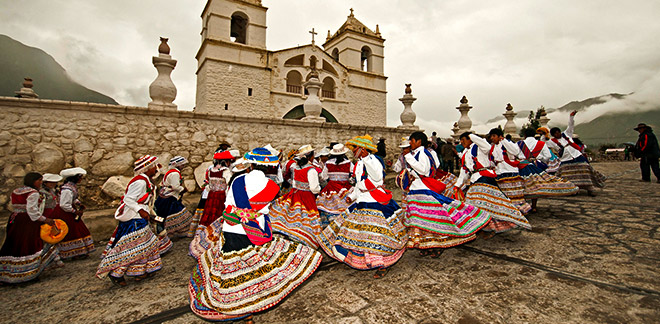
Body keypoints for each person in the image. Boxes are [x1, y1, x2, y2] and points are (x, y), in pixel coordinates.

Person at [188, 155, 322, 322]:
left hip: (232, 227)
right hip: (255, 229)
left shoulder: (238, 181)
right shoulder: (271, 186)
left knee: (232, 266)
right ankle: (250, 307)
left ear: (250, 165)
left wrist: (241, 214)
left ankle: (235, 304)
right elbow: (264, 210)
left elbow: (228, 206)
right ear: (271, 168)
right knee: (254, 269)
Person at [319, 135, 407, 279]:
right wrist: (352, 196)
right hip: (362, 201)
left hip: (374, 202)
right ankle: (364, 260)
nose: (353, 151)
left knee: (376, 236)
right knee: (361, 235)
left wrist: (366, 159)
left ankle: (382, 263)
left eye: (356, 148)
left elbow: (378, 177)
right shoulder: (359, 163)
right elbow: (359, 184)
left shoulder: (374, 161)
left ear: (363, 150)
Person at [401, 131, 491, 257]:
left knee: (433, 218)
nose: (410, 143)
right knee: (424, 219)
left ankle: (439, 244)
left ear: (418, 142)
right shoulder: (419, 153)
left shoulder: (422, 153)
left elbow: (424, 170)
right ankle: (427, 244)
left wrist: (409, 158)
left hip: (423, 188)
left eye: (412, 141)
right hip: (418, 188)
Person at [96, 155, 164, 286]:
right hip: (134, 218)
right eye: (154, 167)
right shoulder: (140, 182)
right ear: (146, 168)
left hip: (140, 217)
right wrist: (140, 210)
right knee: (131, 248)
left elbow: (146, 201)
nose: (156, 169)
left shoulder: (146, 181)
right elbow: (128, 199)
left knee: (143, 245)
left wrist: (150, 214)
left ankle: (139, 271)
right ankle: (115, 273)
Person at [457, 132, 531, 234]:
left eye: (463, 140)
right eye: (461, 141)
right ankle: (484, 227)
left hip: (485, 177)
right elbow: (464, 171)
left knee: (489, 204)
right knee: (476, 204)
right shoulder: (466, 154)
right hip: (475, 178)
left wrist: (471, 135)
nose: (462, 142)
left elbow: (487, 147)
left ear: (470, 139)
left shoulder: (479, 147)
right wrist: (457, 185)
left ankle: (491, 226)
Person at [0, 173, 62, 284]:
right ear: (32, 181)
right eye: (39, 180)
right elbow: (33, 212)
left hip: (15, 219)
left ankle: (8, 273)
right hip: (27, 222)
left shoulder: (16, 191)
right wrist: (45, 220)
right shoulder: (33, 193)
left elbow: (13, 205)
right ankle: (27, 274)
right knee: (29, 245)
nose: (40, 183)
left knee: (14, 243)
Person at [269, 145, 322, 248]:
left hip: (295, 194)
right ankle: (303, 236)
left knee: (293, 214)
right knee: (307, 216)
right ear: (311, 156)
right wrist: (318, 190)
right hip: (307, 197)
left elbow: (294, 183)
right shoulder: (311, 170)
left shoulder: (296, 167)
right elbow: (314, 188)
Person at [517, 128, 579, 212]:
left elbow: (515, 154)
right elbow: (548, 156)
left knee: (522, 186)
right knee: (536, 186)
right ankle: (534, 206)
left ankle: (523, 205)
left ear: (524, 135)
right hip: (536, 166)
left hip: (522, 166)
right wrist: (540, 159)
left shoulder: (519, 143)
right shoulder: (541, 144)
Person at [544, 111, 606, 195]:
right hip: (566, 158)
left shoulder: (567, 134)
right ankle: (572, 188)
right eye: (555, 133)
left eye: (558, 132)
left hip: (576, 154)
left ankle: (590, 188)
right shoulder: (552, 141)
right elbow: (543, 142)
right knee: (568, 175)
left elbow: (571, 125)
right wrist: (544, 134)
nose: (557, 134)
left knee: (584, 170)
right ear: (553, 135)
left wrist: (571, 117)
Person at [51, 167, 96, 259]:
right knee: (71, 231)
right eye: (80, 177)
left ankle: (78, 251)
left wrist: (78, 203)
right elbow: (64, 204)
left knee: (77, 230)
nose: (81, 179)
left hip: (69, 211)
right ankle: (73, 253)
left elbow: (73, 198)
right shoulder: (67, 189)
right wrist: (75, 211)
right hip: (65, 213)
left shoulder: (71, 187)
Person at [487, 128, 532, 215]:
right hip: (500, 171)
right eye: (491, 136)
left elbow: (515, 151)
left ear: (500, 136)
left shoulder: (507, 143)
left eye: (494, 136)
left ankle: (520, 210)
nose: (492, 138)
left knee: (515, 193)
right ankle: (510, 212)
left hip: (510, 169)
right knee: (506, 193)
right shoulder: (493, 147)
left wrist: (504, 141)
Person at [154, 156, 194, 238]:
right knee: (177, 213)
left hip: (165, 196)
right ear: (177, 165)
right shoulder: (175, 174)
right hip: (170, 198)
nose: (183, 167)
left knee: (162, 214)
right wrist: (183, 189)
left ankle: (163, 230)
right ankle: (176, 231)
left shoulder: (170, 172)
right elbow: (175, 186)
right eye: (181, 165)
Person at [195, 151, 234, 233]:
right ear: (226, 161)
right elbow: (229, 183)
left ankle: (204, 230)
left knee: (209, 213)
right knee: (218, 213)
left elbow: (209, 183)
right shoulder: (225, 171)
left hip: (211, 195)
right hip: (221, 196)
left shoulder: (211, 170)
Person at [316, 144, 354, 226]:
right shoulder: (349, 163)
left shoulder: (328, 163)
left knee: (327, 207)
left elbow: (323, 177)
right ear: (344, 153)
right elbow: (354, 175)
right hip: (345, 187)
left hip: (331, 188)